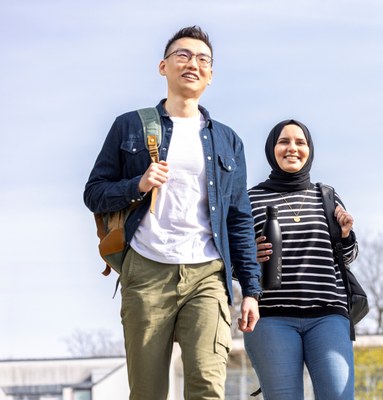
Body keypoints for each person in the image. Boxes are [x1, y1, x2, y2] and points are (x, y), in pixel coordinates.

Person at [83, 26, 262, 400]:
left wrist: (251, 290)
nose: (192, 64)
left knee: (207, 388)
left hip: (209, 275)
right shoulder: (129, 126)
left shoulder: (228, 140)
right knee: (147, 392)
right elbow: (94, 194)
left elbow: (239, 218)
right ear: (163, 66)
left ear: (210, 75)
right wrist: (138, 185)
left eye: (202, 59)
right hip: (147, 270)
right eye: (182, 55)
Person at [243, 119, 359, 400]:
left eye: (300, 142)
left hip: (328, 315)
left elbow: (346, 259)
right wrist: (251, 257)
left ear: (309, 149)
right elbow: (237, 267)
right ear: (272, 149)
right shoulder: (250, 200)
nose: (292, 148)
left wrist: (345, 235)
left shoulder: (327, 196)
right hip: (271, 317)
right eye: (284, 142)